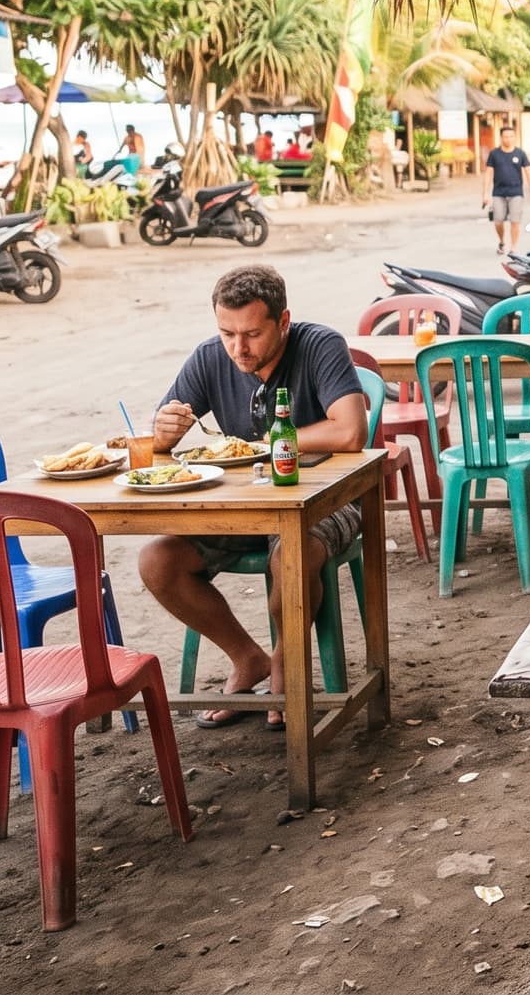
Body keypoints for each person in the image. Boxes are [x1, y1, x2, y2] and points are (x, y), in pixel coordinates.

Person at [139, 265, 369, 729]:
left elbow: (350, 431)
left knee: (292, 554)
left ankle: (286, 662)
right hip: (247, 508)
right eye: (227, 333)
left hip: (330, 500)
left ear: (283, 322)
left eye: (252, 334)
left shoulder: (320, 345)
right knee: (157, 561)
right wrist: (163, 431)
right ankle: (247, 657)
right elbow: (158, 443)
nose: (238, 348)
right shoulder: (210, 358)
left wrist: (266, 446)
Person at [483, 124, 530, 251]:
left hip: (516, 192)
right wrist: (485, 193)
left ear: (514, 137)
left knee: (515, 221)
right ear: (501, 138)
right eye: (506, 137)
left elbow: (528, 171)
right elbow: (488, 174)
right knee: (498, 221)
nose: (508, 139)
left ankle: (514, 248)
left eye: (511, 136)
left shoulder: (520, 153)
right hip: (498, 193)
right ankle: (502, 241)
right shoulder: (494, 154)